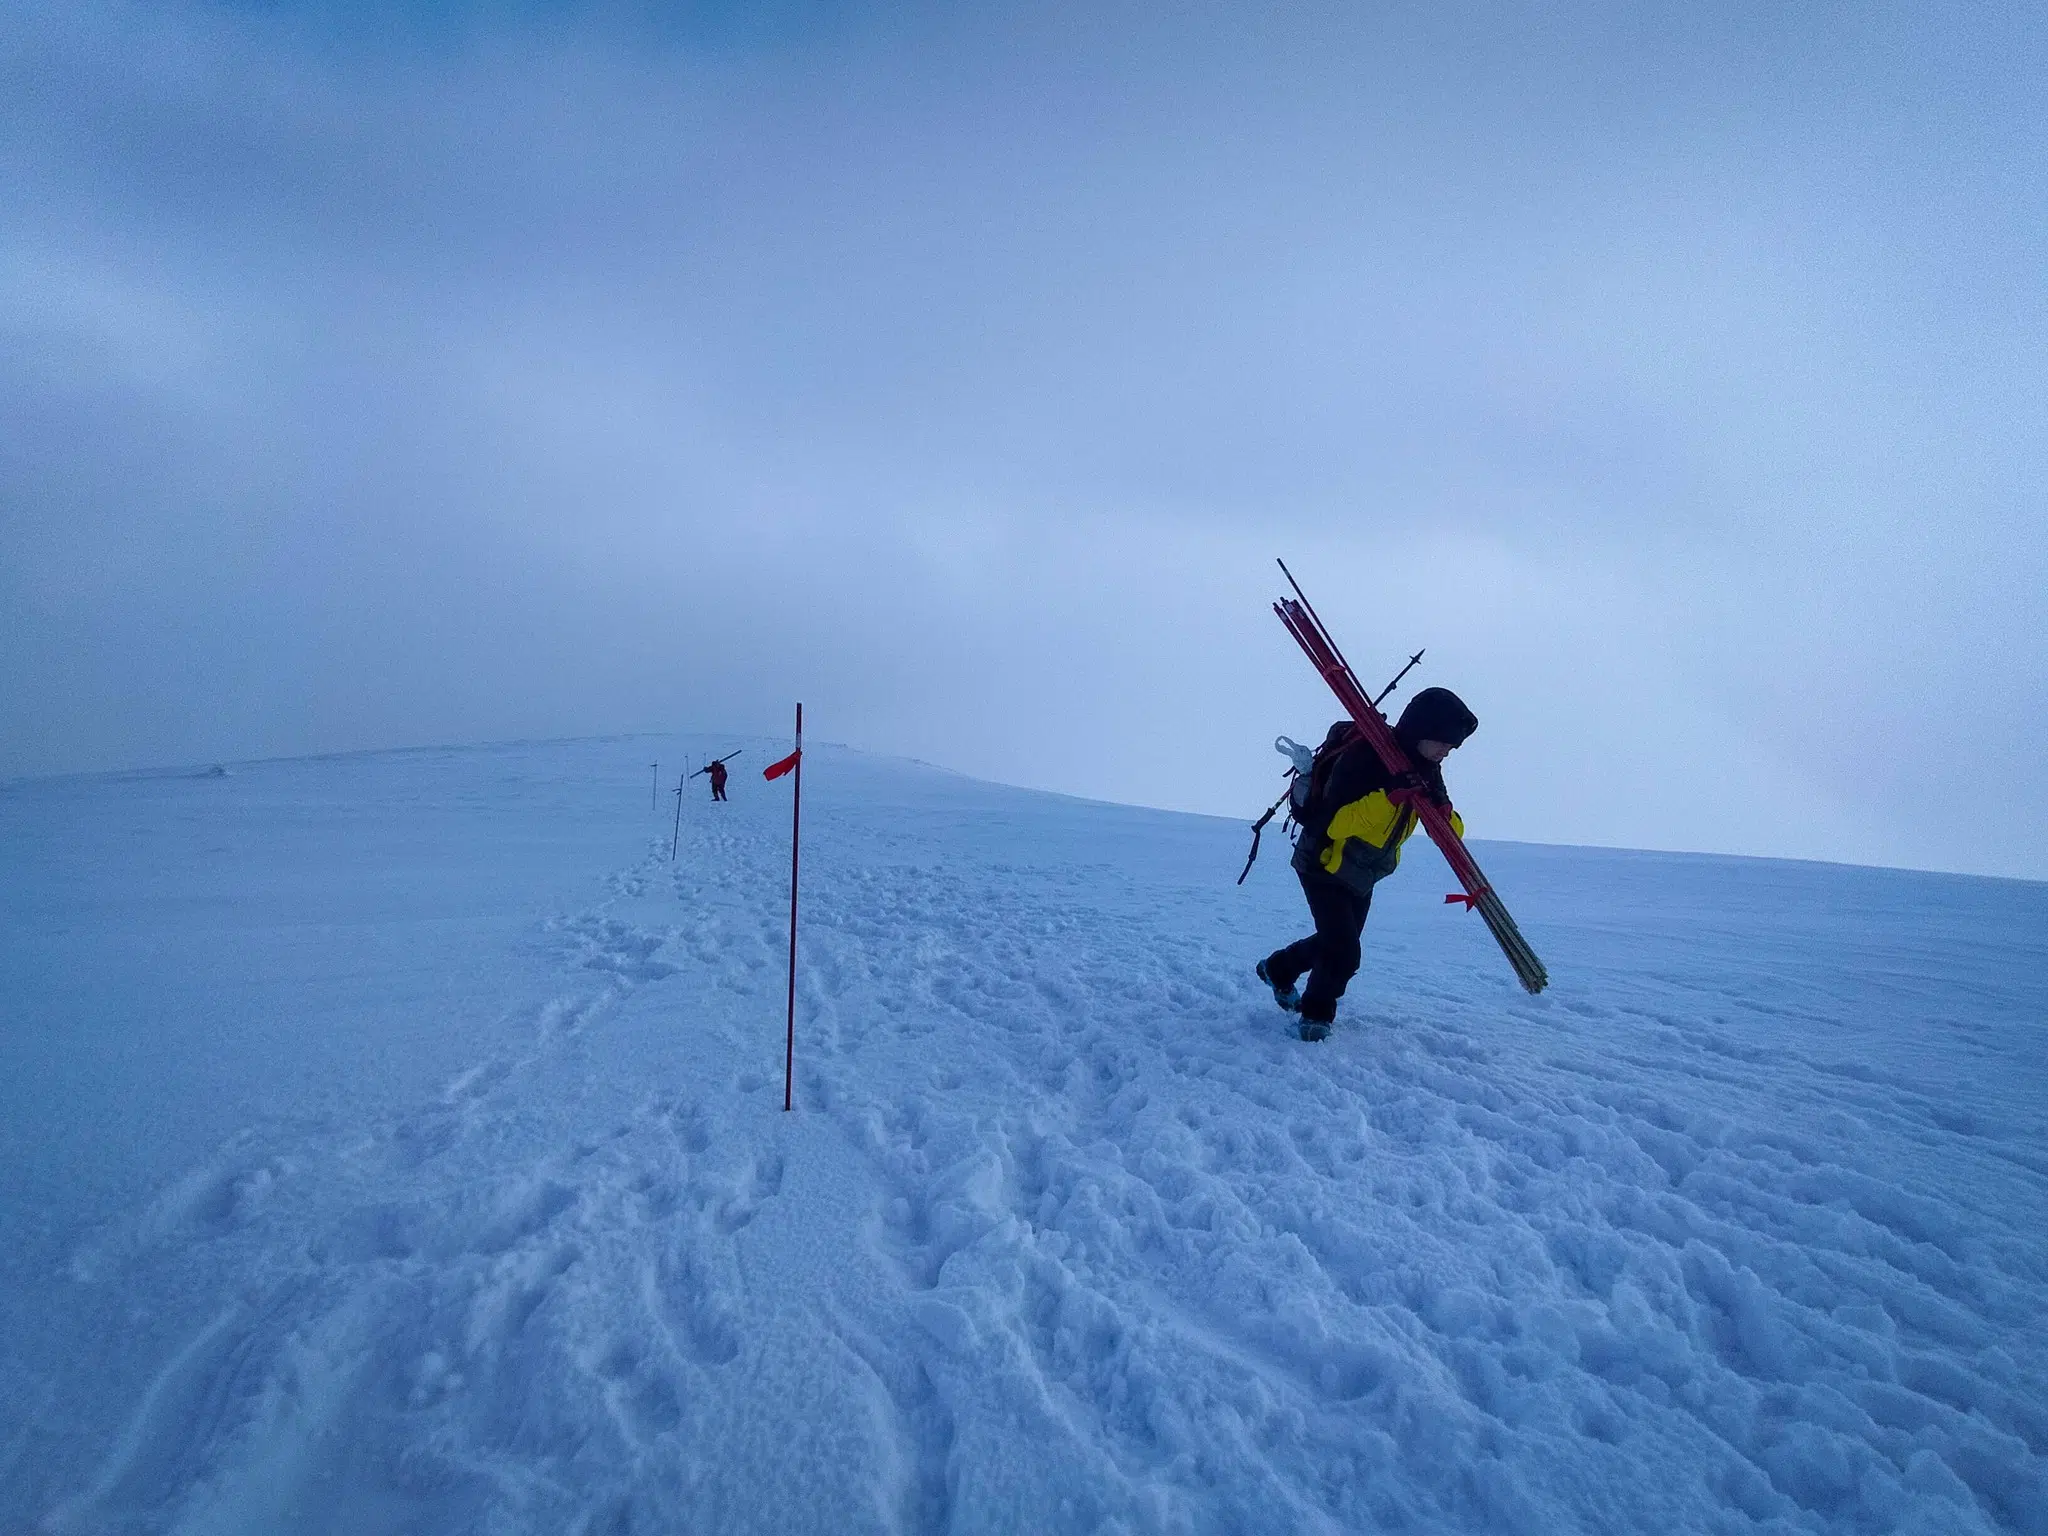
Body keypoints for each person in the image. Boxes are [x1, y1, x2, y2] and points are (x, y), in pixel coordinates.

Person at [1257, 687, 1478, 1041]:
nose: (1445, 752)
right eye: (1442, 742)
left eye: (1451, 747)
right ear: (1421, 730)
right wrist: (1389, 800)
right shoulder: (1368, 757)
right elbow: (1334, 823)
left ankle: (1279, 968)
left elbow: (1447, 833)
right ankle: (1316, 1015)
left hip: (1365, 871)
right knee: (1344, 950)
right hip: (1324, 862)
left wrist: (1447, 815)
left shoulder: (1427, 770)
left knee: (1335, 942)